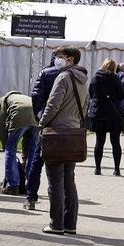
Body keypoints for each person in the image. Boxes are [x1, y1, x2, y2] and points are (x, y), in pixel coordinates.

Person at [38, 46, 88, 235]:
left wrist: (42, 123)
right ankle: (70, 224)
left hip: (57, 132)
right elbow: (85, 105)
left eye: (59, 56)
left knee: (55, 181)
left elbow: (53, 104)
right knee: (69, 179)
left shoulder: (63, 77)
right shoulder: (83, 79)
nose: (56, 60)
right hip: (73, 132)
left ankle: (56, 224)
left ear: (70, 59)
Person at [25, 54, 61, 210]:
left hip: (47, 122)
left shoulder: (46, 73)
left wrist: (40, 114)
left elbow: (35, 94)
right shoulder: (74, 74)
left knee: (37, 160)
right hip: (65, 124)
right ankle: (61, 199)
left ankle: (31, 197)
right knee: (62, 163)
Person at [0, 91, 38, 195]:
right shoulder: (22, 97)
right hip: (35, 115)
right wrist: (24, 157)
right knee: (33, 151)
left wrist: (5, 145)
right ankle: (30, 185)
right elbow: (26, 139)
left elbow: (0, 125)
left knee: (10, 148)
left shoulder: (0, 102)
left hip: (19, 113)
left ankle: (12, 185)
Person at [89, 58, 124, 176]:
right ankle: (116, 169)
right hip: (113, 114)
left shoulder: (95, 78)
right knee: (115, 142)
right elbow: (121, 95)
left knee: (99, 142)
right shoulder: (115, 78)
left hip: (99, 113)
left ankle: (98, 168)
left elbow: (91, 94)